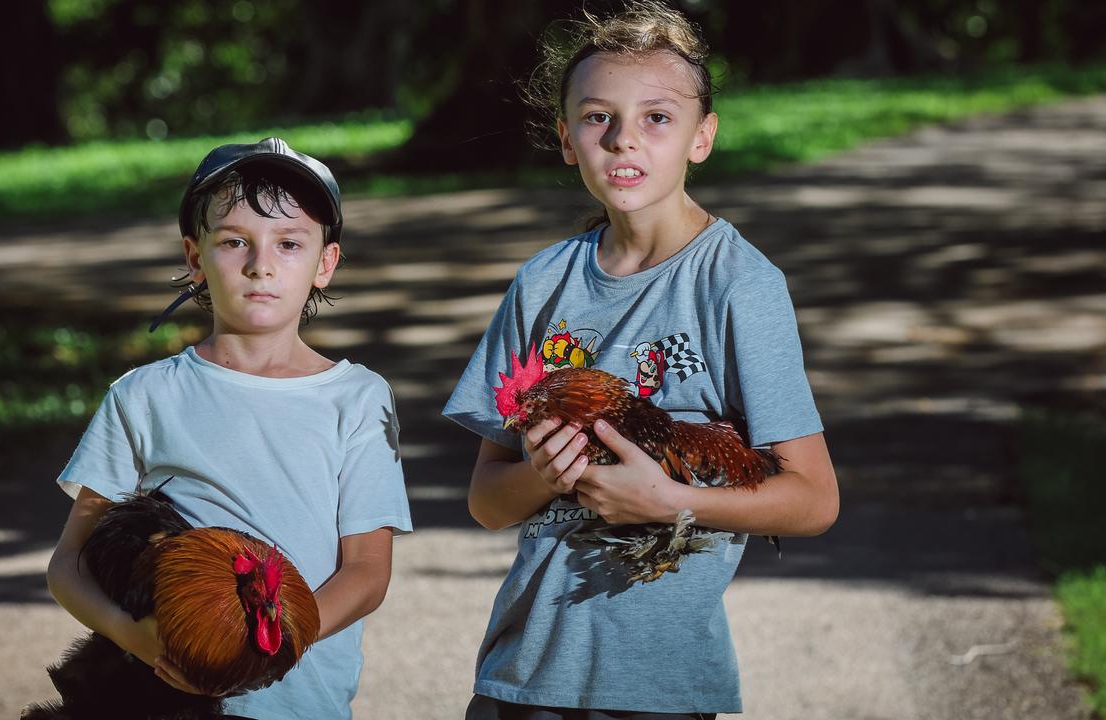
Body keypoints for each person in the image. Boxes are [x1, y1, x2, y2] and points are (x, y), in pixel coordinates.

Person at [442, 2, 839, 718]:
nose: (624, 139)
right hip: (521, 673)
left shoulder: (739, 286)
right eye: (598, 118)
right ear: (567, 140)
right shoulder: (543, 282)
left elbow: (814, 499)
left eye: (656, 117)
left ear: (702, 137)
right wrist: (540, 475)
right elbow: (486, 502)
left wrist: (669, 502)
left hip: (659, 685)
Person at [47, 137, 412, 719]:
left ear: (325, 263)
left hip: (302, 701)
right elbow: (69, 563)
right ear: (195, 258)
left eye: (289, 243)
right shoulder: (144, 395)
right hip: (162, 699)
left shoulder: (358, 398)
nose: (260, 263)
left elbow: (367, 571)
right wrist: (131, 634)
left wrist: (266, 647)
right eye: (234, 241)